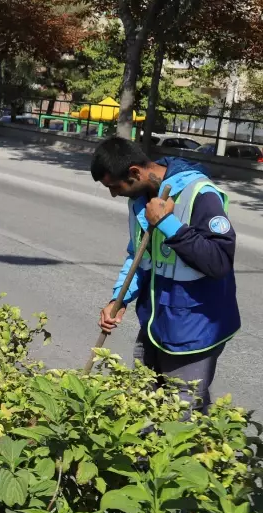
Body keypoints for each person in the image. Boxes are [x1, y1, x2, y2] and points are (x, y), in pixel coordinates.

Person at [90, 137, 239, 413]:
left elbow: (218, 262)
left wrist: (167, 224)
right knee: (148, 405)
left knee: (180, 416)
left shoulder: (200, 194)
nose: (113, 194)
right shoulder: (139, 201)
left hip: (194, 329)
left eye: (114, 186)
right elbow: (138, 256)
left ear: (135, 172)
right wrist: (119, 299)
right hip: (156, 323)